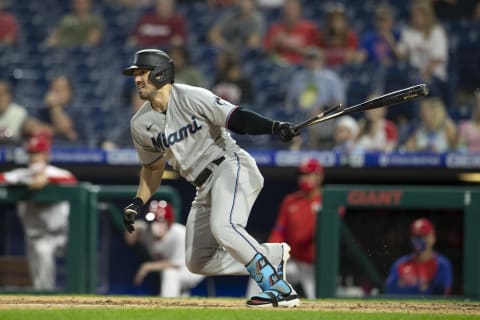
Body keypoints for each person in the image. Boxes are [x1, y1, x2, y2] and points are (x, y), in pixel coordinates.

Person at [121, 48, 300, 307]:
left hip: (229, 165)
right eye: (135, 73)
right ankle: (271, 255)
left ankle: (278, 289)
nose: (137, 79)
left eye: (142, 72)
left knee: (224, 227)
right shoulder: (140, 124)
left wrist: (273, 127)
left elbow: (236, 118)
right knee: (197, 261)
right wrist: (138, 202)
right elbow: (152, 169)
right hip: (202, 185)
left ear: (160, 74)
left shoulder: (192, 96)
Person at [0, 134, 77, 290]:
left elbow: (71, 181)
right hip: (36, 236)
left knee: (54, 254)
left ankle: (72, 295)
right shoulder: (21, 174)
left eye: (38, 153)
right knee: (39, 275)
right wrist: (26, 183)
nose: (34, 158)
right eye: (31, 153)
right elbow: (3, 178)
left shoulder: (58, 173)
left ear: (47, 155)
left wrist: (47, 180)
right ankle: (45, 300)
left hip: (63, 235)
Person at [266, 158, 323, 299]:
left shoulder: (328, 201)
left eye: (308, 174)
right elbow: (279, 230)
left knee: (317, 299)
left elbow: (310, 236)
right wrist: (271, 252)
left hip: (315, 265)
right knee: (262, 269)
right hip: (293, 261)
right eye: (302, 175)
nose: (304, 179)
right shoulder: (290, 201)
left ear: (319, 176)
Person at [125, 199, 204, 297]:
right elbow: (130, 241)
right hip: (177, 268)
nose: (156, 224)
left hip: (193, 268)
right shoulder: (147, 232)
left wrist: (148, 266)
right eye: (153, 221)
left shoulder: (180, 234)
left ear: (169, 221)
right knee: (173, 280)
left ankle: (167, 304)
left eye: (160, 221)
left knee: (170, 274)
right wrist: (133, 226)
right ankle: (182, 303)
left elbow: (176, 264)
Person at [285, 46, 345, 149]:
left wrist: (323, 109)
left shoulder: (331, 78)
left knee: (314, 121)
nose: (312, 61)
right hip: (301, 116)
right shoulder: (298, 78)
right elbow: (289, 104)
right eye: (309, 58)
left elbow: (340, 104)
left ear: (321, 60)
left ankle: (313, 153)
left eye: (315, 58)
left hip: (325, 117)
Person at [385, 217, 453, 296]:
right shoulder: (401, 263)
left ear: (433, 238)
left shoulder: (441, 264)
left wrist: (405, 286)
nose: (419, 240)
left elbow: (440, 292)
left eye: (423, 236)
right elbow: (390, 290)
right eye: (416, 236)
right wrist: (423, 287)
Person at [396, 0, 448, 98]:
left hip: (434, 75)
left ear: (428, 16)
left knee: (416, 85)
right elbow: (400, 55)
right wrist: (388, 37)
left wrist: (425, 73)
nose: (416, 19)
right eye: (414, 16)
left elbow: (437, 58)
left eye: (420, 16)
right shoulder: (409, 32)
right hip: (413, 73)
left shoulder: (437, 32)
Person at [263, 0, 320, 65]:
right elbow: (266, 53)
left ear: (299, 11)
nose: (289, 12)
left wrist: (291, 46)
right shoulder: (274, 29)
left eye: (292, 9)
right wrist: (275, 44)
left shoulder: (310, 29)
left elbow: (317, 54)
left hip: (302, 66)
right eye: (287, 9)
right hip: (279, 65)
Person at [33, 76, 81, 145]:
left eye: (61, 89)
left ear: (70, 93)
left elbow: (65, 128)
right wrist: (59, 131)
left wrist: (55, 107)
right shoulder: (42, 110)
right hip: (46, 149)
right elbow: (32, 128)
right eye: (54, 89)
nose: (57, 93)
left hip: (71, 151)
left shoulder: (77, 112)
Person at [318, 2, 363, 67]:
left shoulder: (351, 36)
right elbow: (317, 54)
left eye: (338, 19)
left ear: (344, 21)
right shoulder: (322, 36)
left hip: (347, 69)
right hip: (325, 70)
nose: (335, 22)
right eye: (332, 19)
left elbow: (353, 55)